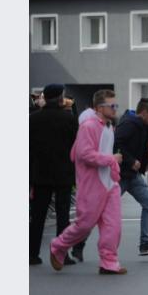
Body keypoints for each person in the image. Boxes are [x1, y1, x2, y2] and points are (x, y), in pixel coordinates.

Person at [49, 89, 127, 274]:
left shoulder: (108, 126)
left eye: (116, 105)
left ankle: (109, 262)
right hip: (92, 184)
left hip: (110, 183)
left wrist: (112, 164)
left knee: (113, 226)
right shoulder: (89, 126)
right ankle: (58, 245)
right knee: (84, 225)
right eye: (112, 105)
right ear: (100, 107)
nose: (115, 108)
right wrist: (111, 160)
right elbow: (83, 154)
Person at [30, 84, 79, 265]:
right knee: (62, 215)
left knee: (38, 216)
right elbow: (77, 145)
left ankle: (32, 253)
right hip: (63, 173)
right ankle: (61, 253)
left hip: (40, 173)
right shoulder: (68, 119)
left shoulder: (33, 119)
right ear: (60, 98)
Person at [113, 97, 148, 256]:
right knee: (102, 210)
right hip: (121, 175)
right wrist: (131, 160)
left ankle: (145, 243)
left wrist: (143, 161)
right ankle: (79, 244)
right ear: (143, 113)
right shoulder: (129, 124)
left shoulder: (144, 126)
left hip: (134, 175)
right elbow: (116, 144)